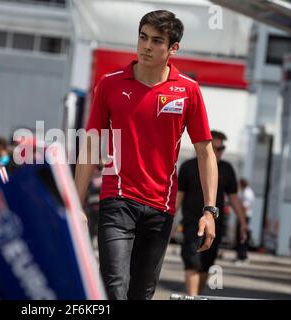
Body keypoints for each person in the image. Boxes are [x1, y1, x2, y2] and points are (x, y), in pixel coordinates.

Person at [74, 10, 219, 300]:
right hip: (116, 201)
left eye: (156, 40)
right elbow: (90, 145)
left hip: (160, 207)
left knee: (141, 293)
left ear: (173, 48)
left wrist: (209, 210)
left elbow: (206, 153)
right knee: (114, 286)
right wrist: (76, 206)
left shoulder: (187, 91)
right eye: (142, 38)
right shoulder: (110, 83)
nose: (146, 46)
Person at [176, 130, 248, 296]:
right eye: (215, 148)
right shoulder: (188, 167)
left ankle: (196, 296)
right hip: (192, 222)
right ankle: (192, 297)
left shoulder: (227, 169)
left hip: (215, 224)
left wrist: (243, 222)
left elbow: (234, 198)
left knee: (206, 264)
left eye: (221, 148)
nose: (219, 152)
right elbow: (179, 195)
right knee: (191, 261)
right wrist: (168, 219)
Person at [235, 178, 255, 264]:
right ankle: (242, 256)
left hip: (244, 217)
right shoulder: (246, 191)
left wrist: (241, 218)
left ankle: (242, 257)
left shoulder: (247, 193)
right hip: (244, 216)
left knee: (242, 237)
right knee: (242, 236)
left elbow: (245, 207)